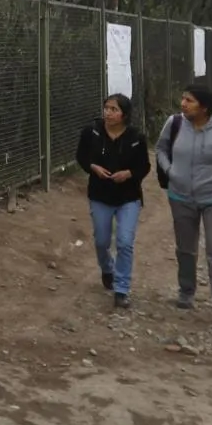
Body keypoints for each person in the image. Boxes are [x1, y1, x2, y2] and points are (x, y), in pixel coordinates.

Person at [156, 83, 212, 330]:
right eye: (183, 99)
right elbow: (161, 148)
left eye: (189, 100)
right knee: (185, 249)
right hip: (180, 197)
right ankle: (186, 291)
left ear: (204, 107)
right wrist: (170, 171)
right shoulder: (175, 123)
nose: (183, 104)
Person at [76, 94, 152, 309]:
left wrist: (128, 174)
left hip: (128, 197)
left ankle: (121, 289)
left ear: (124, 115)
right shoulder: (91, 132)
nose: (108, 113)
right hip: (100, 195)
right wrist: (93, 167)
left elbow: (144, 166)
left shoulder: (136, 137)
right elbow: (81, 156)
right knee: (101, 241)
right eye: (106, 108)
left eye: (114, 109)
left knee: (125, 242)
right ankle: (107, 268)